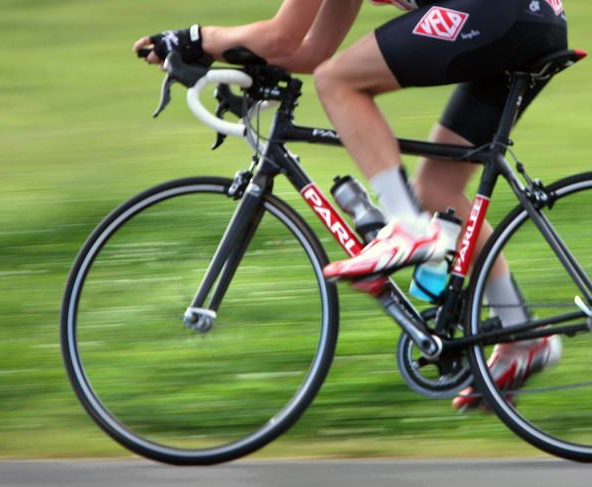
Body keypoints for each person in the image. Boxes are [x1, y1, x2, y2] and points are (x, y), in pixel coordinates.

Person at [133, 0, 566, 408]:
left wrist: (191, 38)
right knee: (437, 191)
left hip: (497, 12)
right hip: (528, 21)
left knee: (338, 81)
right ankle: (522, 336)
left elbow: (281, 38)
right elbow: (306, 51)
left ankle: (407, 229)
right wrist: (223, 53)